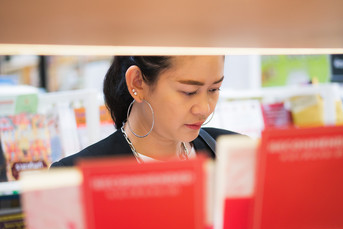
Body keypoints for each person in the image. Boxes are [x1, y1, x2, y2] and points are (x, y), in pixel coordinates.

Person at [51, 56, 237, 167]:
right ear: (137, 83)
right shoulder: (75, 175)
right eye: (188, 92)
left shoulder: (234, 152)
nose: (204, 109)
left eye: (214, 89)